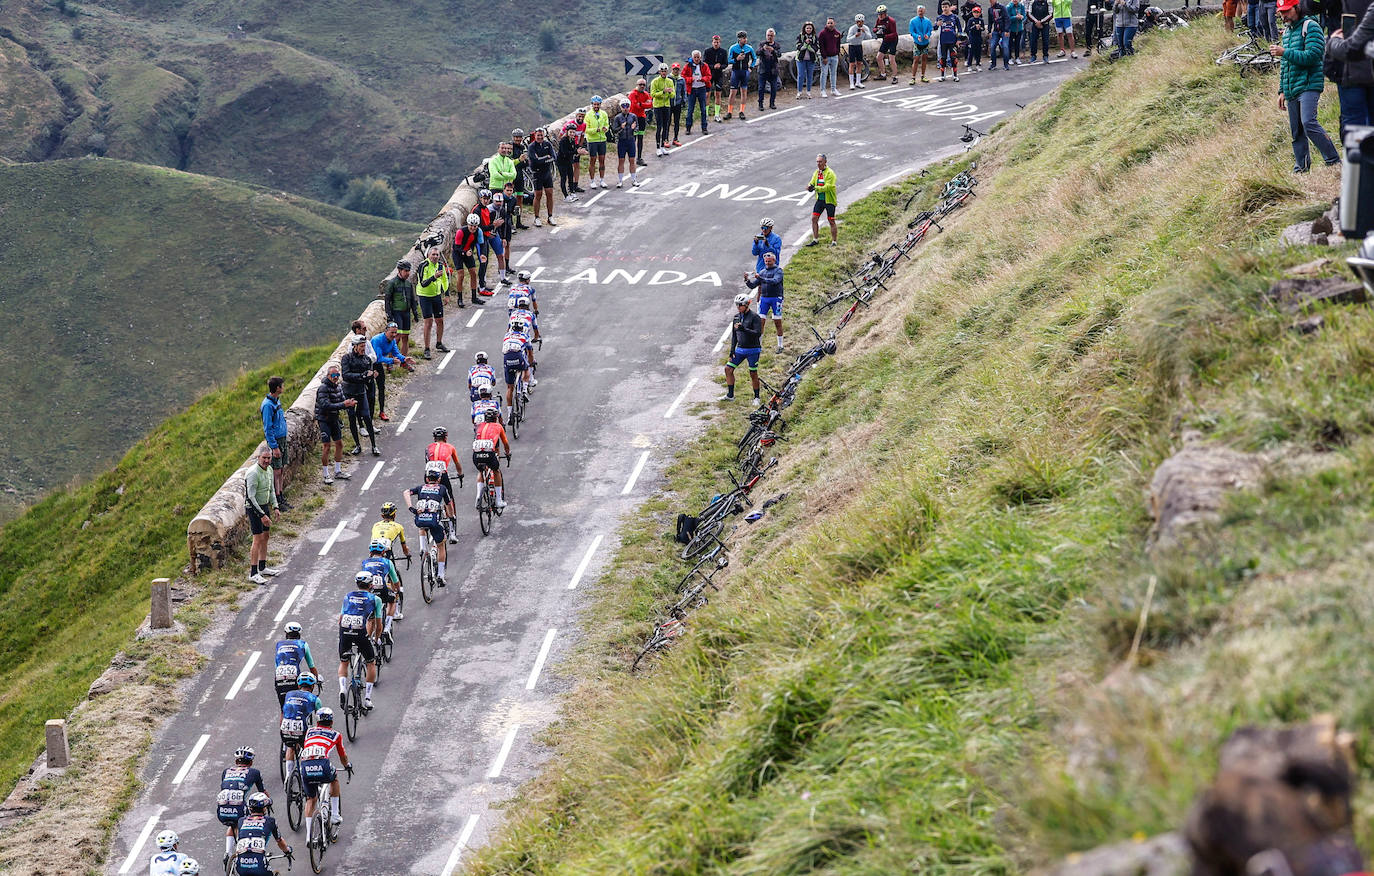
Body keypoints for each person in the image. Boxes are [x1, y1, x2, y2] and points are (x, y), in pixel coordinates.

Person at [1275, 0, 1340, 172]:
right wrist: (1282, 90)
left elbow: (1313, 56)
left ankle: (1333, 160)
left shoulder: (1311, 26)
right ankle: (1301, 168)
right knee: (1296, 131)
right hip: (1291, 87)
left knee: (1309, 122)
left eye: (1287, 11)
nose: (1284, 16)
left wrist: (1285, 52)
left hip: (1310, 84)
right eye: (1281, 12)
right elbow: (1285, 65)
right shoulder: (1287, 32)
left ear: (1297, 8)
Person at [299, 710, 351, 849]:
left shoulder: (309, 732)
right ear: (332, 722)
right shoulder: (336, 735)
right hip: (322, 765)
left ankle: (309, 835)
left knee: (311, 799)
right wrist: (347, 766)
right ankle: (334, 814)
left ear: (317, 722)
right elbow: (342, 757)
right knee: (334, 779)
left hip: (305, 765)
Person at [1326, 4, 1374, 138]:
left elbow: (1350, 49)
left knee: (1355, 133)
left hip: (1354, 73)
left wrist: (1332, 42)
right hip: (1358, 72)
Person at [338, 571, 382, 709]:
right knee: (371, 662)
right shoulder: (375, 599)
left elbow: (340, 618)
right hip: (360, 631)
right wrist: (376, 638)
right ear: (370, 585)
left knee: (344, 662)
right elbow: (378, 624)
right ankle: (368, 698)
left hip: (344, 629)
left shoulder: (347, 596)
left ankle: (343, 688)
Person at [405, 462, 455, 585]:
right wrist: (451, 516)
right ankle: (441, 575)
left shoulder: (421, 487)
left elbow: (406, 492)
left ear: (427, 478)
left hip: (420, 519)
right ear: (439, 478)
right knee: (441, 545)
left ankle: (423, 548)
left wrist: (412, 508)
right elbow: (449, 505)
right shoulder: (442, 488)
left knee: (422, 524)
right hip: (434, 521)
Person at [216, 747, 265, 861]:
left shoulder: (226, 771)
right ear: (251, 761)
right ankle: (241, 854)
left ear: (236, 761)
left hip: (222, 809)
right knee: (245, 825)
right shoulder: (254, 772)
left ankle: (228, 853)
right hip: (238, 806)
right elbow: (262, 792)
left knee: (232, 824)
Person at [314, 365, 354, 485]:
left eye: (337, 375)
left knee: (339, 444)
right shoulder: (323, 388)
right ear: (328, 376)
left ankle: (338, 471)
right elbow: (325, 405)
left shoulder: (338, 387)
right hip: (324, 419)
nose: (336, 378)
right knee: (326, 446)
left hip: (334, 418)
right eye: (333, 376)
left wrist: (349, 403)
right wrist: (343, 405)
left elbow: (341, 400)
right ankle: (325, 474)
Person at [232, 793, 291, 876]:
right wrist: (287, 851)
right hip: (259, 868)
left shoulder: (241, 820)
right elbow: (279, 841)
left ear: (250, 808)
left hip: (241, 867)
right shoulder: (270, 821)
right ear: (264, 808)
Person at [245, 448, 279, 585]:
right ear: (258, 457)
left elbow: (271, 490)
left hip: (264, 505)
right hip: (253, 508)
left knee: (266, 536)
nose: (266, 461)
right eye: (264, 458)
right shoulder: (253, 473)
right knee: (257, 538)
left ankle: (262, 566)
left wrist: (275, 506)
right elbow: (250, 497)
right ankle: (253, 573)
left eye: (268, 458)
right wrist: (262, 515)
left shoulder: (269, 470)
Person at [722, 293, 765, 404]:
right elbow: (734, 335)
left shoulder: (755, 317)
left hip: (753, 350)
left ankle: (756, 397)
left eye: (740, 305)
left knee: (753, 373)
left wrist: (744, 329)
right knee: (728, 369)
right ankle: (730, 395)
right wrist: (732, 351)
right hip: (740, 349)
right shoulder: (736, 317)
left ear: (747, 304)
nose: (738, 307)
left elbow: (757, 333)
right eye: (737, 305)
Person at [340, 335, 379, 457]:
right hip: (349, 392)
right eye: (361, 346)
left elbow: (367, 377)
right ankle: (358, 445)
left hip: (361, 391)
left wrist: (371, 376)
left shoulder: (367, 359)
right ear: (355, 347)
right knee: (352, 418)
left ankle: (374, 445)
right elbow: (346, 375)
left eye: (364, 346)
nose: (363, 349)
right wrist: (362, 376)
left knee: (367, 417)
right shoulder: (346, 358)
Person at [279, 674, 320, 782]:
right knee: (307, 748)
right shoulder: (314, 698)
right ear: (312, 687)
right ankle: (304, 772)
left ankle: (288, 775)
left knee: (290, 747)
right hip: (301, 729)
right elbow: (320, 718)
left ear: (298, 685)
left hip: (285, 727)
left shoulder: (289, 694)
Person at [425, 427, 465, 538]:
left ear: (434, 438)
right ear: (445, 437)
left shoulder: (428, 447)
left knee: (430, 495)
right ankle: (452, 532)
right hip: (442, 475)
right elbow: (457, 463)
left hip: (428, 475)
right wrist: (460, 474)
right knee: (448, 499)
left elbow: (428, 463)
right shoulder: (450, 447)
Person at [369, 323, 414, 423]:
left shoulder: (392, 340)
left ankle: (381, 411)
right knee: (371, 392)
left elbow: (396, 353)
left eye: (395, 332)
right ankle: (368, 415)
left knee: (382, 388)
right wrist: (392, 361)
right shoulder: (377, 340)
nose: (394, 335)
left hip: (378, 364)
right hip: (370, 364)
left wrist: (404, 359)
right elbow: (378, 357)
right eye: (392, 332)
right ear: (386, 331)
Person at [745, 251, 785, 352]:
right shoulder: (762, 271)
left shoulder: (778, 271)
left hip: (776, 298)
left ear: (774, 260)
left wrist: (761, 278)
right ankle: (759, 345)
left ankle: (780, 345)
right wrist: (747, 280)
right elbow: (753, 286)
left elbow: (775, 281)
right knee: (760, 322)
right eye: (766, 261)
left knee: (777, 322)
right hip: (764, 298)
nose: (767, 263)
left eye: (769, 261)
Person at [260, 376, 290, 512]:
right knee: (276, 471)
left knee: (281, 469)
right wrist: (274, 447)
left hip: (282, 439)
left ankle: (281, 497)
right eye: (282, 385)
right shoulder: (267, 405)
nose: (283, 387)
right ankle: (277, 500)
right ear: (277, 388)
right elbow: (268, 428)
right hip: (276, 441)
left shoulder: (276, 401)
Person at [472, 408, 512, 508]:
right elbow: (505, 443)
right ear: (496, 418)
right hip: (489, 453)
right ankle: (498, 500)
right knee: (496, 471)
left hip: (476, 453)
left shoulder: (478, 425)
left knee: (481, 471)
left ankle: (478, 496)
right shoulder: (498, 426)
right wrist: (508, 453)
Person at [272, 621, 318, 708]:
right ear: (299, 634)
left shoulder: (279, 645)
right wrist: (317, 679)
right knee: (299, 705)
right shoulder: (303, 644)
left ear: (286, 634)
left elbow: (276, 666)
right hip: (294, 679)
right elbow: (311, 666)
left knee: (284, 711)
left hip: (279, 678)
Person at [415, 247, 450, 359]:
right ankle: (426, 348)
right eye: (433, 254)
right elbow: (423, 283)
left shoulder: (440, 265)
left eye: (437, 255)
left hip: (436, 295)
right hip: (425, 296)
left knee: (440, 320)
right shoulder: (423, 265)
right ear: (428, 255)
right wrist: (434, 277)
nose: (435, 257)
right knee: (428, 322)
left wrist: (447, 294)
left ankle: (439, 343)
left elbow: (445, 279)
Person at [360, 539, 402, 631]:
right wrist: (398, 590)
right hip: (382, 589)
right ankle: (387, 626)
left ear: (370, 552)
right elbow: (395, 580)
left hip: (369, 590)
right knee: (393, 600)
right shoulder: (387, 562)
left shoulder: (365, 562)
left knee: (370, 619)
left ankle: (370, 640)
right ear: (383, 551)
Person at [383, 260, 419, 357]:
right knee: (396, 337)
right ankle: (391, 361)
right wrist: (389, 315)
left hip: (406, 313)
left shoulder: (408, 284)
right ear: (399, 270)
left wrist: (415, 312)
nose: (408, 273)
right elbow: (387, 300)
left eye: (409, 271)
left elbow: (412, 299)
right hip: (396, 312)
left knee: (405, 337)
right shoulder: (392, 283)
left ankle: (404, 361)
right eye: (405, 271)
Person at [807, 154, 840, 246]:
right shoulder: (817, 172)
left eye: (820, 161)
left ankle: (834, 241)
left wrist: (816, 188)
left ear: (825, 162)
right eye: (817, 161)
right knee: (814, 218)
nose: (818, 163)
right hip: (820, 200)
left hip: (829, 200)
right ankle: (815, 239)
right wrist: (810, 186)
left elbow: (828, 187)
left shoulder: (830, 173)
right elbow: (812, 182)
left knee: (831, 221)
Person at [454, 213, 487, 304]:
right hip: (458, 253)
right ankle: (460, 299)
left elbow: (482, 244)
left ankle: (474, 297)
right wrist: (464, 252)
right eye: (471, 226)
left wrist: (482, 254)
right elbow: (457, 247)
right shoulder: (461, 232)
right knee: (461, 275)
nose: (473, 228)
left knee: (473, 273)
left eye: (475, 226)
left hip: (468, 253)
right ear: (468, 224)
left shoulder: (479, 231)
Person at [502, 321, 535, 410]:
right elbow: (530, 353)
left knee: (509, 387)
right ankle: (524, 390)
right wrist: (530, 363)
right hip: (518, 356)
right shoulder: (525, 336)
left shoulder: (506, 335)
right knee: (526, 368)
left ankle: (509, 415)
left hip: (507, 358)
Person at [527, 127, 557, 227]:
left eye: (541, 135)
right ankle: (536, 217)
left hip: (546, 172)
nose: (540, 137)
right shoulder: (531, 146)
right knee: (538, 195)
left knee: (549, 193)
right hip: (537, 173)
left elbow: (554, 157)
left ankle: (550, 216)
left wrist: (542, 159)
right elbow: (535, 161)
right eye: (538, 135)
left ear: (544, 136)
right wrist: (545, 158)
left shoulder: (547, 144)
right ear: (535, 136)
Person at [370, 502, 411, 569]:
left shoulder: (375, 525)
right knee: (388, 570)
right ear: (394, 515)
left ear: (382, 516)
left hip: (373, 547)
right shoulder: (399, 526)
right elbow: (403, 546)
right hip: (386, 547)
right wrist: (407, 554)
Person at [726, 31, 756, 119]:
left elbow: (754, 59)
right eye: (743, 38)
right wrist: (736, 59)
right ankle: (729, 112)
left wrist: (751, 68)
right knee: (733, 93)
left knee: (744, 92)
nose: (745, 40)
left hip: (744, 72)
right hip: (735, 71)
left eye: (746, 38)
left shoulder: (749, 48)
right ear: (739, 39)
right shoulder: (733, 48)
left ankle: (742, 111)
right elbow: (728, 60)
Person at [611, 99, 641, 188]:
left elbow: (637, 128)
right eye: (623, 106)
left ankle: (634, 180)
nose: (625, 108)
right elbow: (614, 130)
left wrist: (634, 129)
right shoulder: (618, 117)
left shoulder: (633, 116)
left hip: (631, 140)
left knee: (632, 160)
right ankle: (620, 181)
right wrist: (621, 127)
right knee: (621, 161)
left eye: (627, 106)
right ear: (621, 107)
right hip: (622, 141)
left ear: (629, 106)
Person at [584, 95, 610, 188]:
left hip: (602, 139)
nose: (596, 106)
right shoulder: (588, 115)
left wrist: (605, 128)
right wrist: (596, 130)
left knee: (602, 160)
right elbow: (586, 129)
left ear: (600, 105)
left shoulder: (604, 114)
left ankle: (602, 180)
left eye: (598, 104)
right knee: (592, 160)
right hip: (592, 140)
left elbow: (607, 125)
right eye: (594, 104)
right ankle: (592, 181)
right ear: (592, 105)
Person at [683, 51, 712, 134]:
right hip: (691, 89)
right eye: (695, 57)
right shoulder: (688, 66)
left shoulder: (704, 65)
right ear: (692, 58)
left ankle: (704, 127)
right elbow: (683, 76)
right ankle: (688, 128)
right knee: (690, 110)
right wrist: (690, 79)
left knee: (703, 109)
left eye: (698, 57)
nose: (696, 59)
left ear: (700, 57)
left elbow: (709, 76)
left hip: (702, 89)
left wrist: (702, 79)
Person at [555, 122, 584, 201]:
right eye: (570, 132)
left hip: (568, 161)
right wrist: (577, 152)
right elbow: (565, 153)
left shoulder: (572, 140)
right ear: (567, 132)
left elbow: (574, 148)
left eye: (573, 132)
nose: (572, 133)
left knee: (571, 177)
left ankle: (572, 192)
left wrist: (580, 149)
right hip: (561, 162)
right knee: (563, 178)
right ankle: (565, 196)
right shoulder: (563, 140)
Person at [651, 64, 675, 155]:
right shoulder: (655, 81)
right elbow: (653, 94)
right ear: (659, 72)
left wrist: (669, 93)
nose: (664, 73)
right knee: (659, 126)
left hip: (667, 105)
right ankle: (657, 147)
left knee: (666, 126)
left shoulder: (670, 81)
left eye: (665, 71)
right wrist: (663, 92)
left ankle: (662, 146)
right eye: (662, 71)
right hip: (658, 106)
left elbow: (673, 95)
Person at [704, 35, 729, 121]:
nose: (716, 44)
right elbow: (705, 63)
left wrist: (720, 66)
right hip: (709, 75)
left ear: (719, 42)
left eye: (717, 42)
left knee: (718, 94)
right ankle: (706, 114)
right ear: (712, 42)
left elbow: (726, 64)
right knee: (707, 94)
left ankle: (717, 114)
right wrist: (713, 66)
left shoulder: (723, 52)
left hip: (719, 75)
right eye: (714, 42)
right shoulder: (707, 51)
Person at [628, 79, 653, 166]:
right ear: (637, 84)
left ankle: (639, 158)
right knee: (633, 138)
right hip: (633, 118)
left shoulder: (646, 94)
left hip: (642, 118)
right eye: (640, 84)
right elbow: (635, 105)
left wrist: (641, 104)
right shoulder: (632, 94)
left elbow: (650, 104)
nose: (642, 86)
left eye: (644, 85)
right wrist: (643, 104)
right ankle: (632, 157)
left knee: (640, 137)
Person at [874, 4, 902, 81]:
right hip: (886, 40)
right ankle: (883, 74)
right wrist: (875, 30)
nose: (880, 16)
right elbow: (875, 27)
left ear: (885, 13)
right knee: (879, 57)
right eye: (878, 14)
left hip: (893, 40)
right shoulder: (879, 20)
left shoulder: (891, 21)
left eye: (881, 14)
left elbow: (894, 33)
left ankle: (895, 76)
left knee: (891, 59)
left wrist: (885, 36)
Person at [846, 15, 873, 89]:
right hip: (852, 46)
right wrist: (855, 36)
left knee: (859, 63)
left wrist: (864, 32)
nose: (859, 24)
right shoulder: (852, 28)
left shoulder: (865, 28)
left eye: (861, 22)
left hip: (859, 46)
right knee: (852, 64)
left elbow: (870, 37)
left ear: (863, 22)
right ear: (856, 22)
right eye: (858, 22)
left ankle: (858, 82)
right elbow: (847, 39)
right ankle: (851, 83)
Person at [757, 29, 782, 110]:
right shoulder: (762, 44)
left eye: (771, 36)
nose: (769, 37)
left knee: (774, 88)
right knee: (761, 88)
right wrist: (763, 49)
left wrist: (773, 51)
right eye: (768, 35)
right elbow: (757, 53)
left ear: (773, 36)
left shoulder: (777, 45)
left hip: (773, 70)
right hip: (763, 69)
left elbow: (779, 54)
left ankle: (772, 103)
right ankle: (760, 104)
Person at [938, 2, 965, 77]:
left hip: (952, 41)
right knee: (943, 58)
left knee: (953, 58)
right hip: (943, 41)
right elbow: (934, 27)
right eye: (943, 7)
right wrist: (937, 24)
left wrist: (959, 39)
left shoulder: (955, 17)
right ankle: (943, 75)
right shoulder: (940, 17)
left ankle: (955, 75)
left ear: (949, 7)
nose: (944, 9)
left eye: (946, 7)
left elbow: (959, 28)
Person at [819, 17, 844, 96]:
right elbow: (821, 46)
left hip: (834, 56)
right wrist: (824, 57)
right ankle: (823, 90)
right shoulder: (822, 34)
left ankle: (833, 89)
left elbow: (838, 44)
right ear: (826, 24)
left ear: (834, 23)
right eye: (828, 23)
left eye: (831, 23)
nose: (830, 25)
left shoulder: (837, 33)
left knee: (833, 73)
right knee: (824, 73)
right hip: (825, 57)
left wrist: (837, 53)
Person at [910, 7, 935, 82]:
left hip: (925, 43)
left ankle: (923, 76)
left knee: (924, 59)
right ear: (917, 11)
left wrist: (928, 35)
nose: (920, 12)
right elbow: (912, 32)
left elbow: (930, 30)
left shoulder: (927, 21)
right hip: (917, 43)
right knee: (916, 60)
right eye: (919, 11)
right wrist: (917, 36)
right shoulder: (913, 21)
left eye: (922, 11)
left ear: (924, 11)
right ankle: (913, 77)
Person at [797, 22, 820, 97]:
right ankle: (799, 91)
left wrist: (809, 47)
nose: (808, 29)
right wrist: (805, 44)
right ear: (804, 29)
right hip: (801, 59)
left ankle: (808, 91)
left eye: (810, 28)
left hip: (811, 59)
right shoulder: (800, 36)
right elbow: (798, 46)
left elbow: (816, 48)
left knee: (810, 75)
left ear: (812, 29)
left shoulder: (815, 37)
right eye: (807, 28)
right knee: (801, 75)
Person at [988, 0, 1011, 70]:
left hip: (1004, 30)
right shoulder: (990, 9)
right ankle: (993, 64)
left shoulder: (1002, 7)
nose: (991, 1)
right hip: (996, 30)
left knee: (1005, 46)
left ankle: (1006, 64)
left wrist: (1007, 30)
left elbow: (1007, 19)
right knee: (992, 46)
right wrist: (989, 31)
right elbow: (990, 21)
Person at [669, 63, 686, 146]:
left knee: (677, 122)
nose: (676, 71)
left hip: (678, 103)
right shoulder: (668, 78)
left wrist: (684, 100)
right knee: (667, 122)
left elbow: (684, 91)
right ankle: (665, 139)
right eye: (674, 69)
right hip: (668, 103)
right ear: (672, 70)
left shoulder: (681, 80)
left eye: (677, 69)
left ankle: (675, 138)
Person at [966, 5, 985, 70]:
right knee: (971, 51)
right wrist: (974, 27)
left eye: (977, 12)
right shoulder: (970, 20)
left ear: (980, 13)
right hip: (972, 38)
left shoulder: (981, 20)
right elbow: (968, 29)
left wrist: (980, 28)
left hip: (978, 38)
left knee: (978, 51)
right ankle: (969, 65)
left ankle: (978, 64)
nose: (976, 14)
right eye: (975, 12)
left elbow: (983, 29)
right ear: (973, 13)